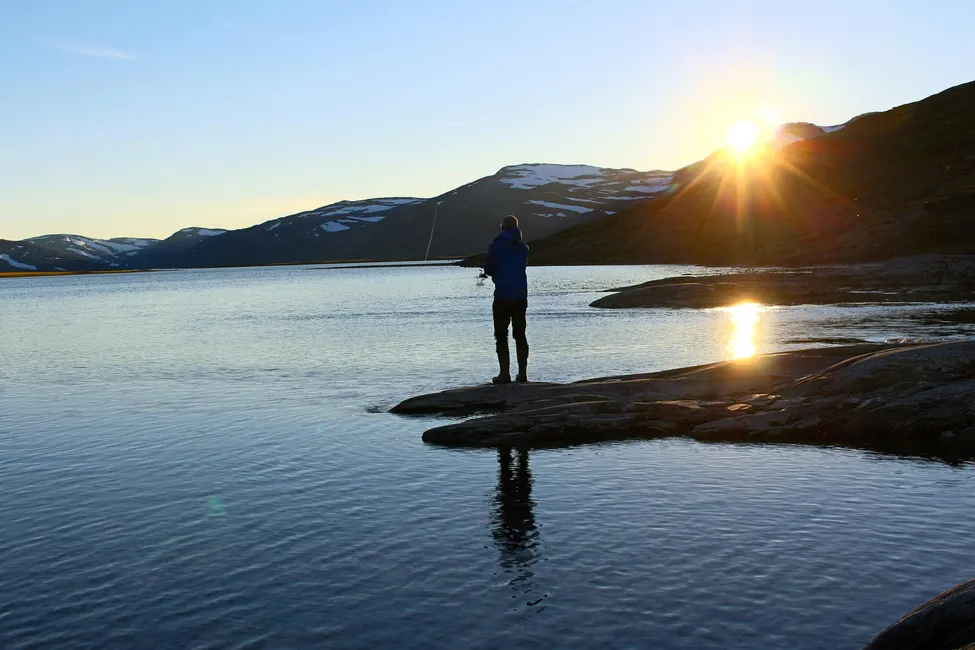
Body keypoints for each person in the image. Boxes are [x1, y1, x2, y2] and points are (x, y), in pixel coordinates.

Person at [482, 215, 529, 384]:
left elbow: (489, 269)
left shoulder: (496, 246)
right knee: (520, 334)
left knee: (501, 336)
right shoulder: (523, 247)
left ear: (502, 227)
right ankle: (522, 374)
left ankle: (504, 375)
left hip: (503, 295)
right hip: (521, 296)